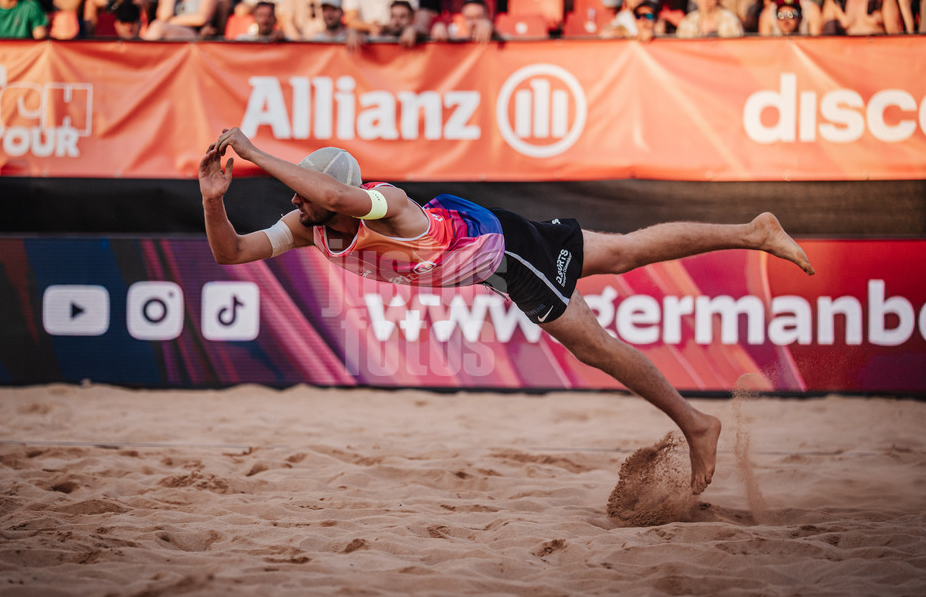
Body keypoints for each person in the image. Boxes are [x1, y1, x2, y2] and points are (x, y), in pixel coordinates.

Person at [197, 129, 817, 495]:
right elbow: (232, 253)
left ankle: (696, 424)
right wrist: (213, 200)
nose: (296, 204)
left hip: (502, 254)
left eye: (302, 194)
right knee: (625, 252)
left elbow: (334, 192)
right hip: (495, 238)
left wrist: (253, 151)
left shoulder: (380, 200)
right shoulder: (307, 227)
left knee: (593, 346)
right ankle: (753, 231)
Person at [429, 0, 497, 43]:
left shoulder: (495, 34)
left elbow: (500, 36)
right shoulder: (456, 35)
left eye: (478, 17)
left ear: (488, 17)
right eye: (469, 18)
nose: (473, 23)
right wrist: (438, 28)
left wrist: (492, 29)